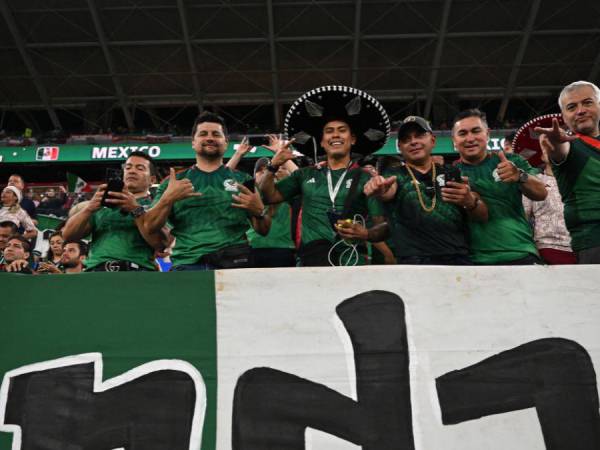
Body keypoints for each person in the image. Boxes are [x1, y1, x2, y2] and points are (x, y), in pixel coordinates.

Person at [260, 85, 390, 267]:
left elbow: (383, 227)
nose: (335, 134)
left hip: (352, 263)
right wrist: (273, 166)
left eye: (342, 130)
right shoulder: (305, 175)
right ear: (322, 142)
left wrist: (366, 234)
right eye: (329, 131)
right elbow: (268, 196)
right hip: (311, 264)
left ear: (352, 139)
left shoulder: (365, 178)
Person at [142, 111, 270, 270]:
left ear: (226, 142)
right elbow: (149, 226)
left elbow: (264, 230)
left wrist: (259, 212)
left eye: (216, 134)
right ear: (193, 143)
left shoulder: (244, 181)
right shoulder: (173, 183)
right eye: (203, 134)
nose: (210, 138)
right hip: (187, 263)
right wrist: (167, 199)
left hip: (235, 261)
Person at [364, 116, 488, 265]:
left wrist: (470, 201)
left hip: (458, 258)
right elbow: (388, 190)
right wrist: (381, 190)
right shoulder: (393, 175)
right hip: (412, 262)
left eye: (420, 135)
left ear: (433, 140)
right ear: (399, 146)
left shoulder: (453, 172)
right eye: (406, 139)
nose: (413, 141)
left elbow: (483, 215)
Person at [452, 109, 547, 265]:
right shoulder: (452, 175)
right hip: (474, 259)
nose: (470, 138)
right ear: (454, 141)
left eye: (476, 131)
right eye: (462, 133)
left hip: (520, 252)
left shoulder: (512, 161)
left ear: (487, 134)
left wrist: (519, 176)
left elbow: (541, 193)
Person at [63, 151, 164, 272]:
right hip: (96, 272)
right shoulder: (102, 204)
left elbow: (160, 243)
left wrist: (135, 209)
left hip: (137, 273)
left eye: (140, 168)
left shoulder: (156, 206)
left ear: (152, 180)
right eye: (128, 167)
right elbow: (68, 235)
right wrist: (89, 208)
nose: (132, 171)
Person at [534, 80, 600, 263]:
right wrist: (555, 142)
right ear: (563, 116)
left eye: (587, 103)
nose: (580, 110)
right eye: (572, 107)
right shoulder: (569, 146)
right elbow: (559, 150)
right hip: (594, 241)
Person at [522, 147, 576, 264]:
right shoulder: (534, 182)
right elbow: (523, 219)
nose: (552, 149)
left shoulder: (578, 181)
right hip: (547, 250)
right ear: (542, 156)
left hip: (581, 248)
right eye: (547, 148)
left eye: (555, 146)